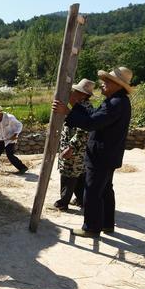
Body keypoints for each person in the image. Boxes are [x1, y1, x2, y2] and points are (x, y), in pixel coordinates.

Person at [52, 67, 133, 238]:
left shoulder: (114, 103)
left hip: (101, 155)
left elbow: (90, 123)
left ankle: (91, 227)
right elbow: (92, 114)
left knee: (92, 191)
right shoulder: (117, 101)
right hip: (108, 155)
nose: (102, 84)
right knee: (105, 190)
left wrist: (66, 112)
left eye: (106, 82)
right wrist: (72, 109)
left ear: (117, 85)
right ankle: (107, 224)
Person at [54, 79, 94, 211]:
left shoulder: (84, 109)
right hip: (77, 150)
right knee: (78, 174)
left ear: (82, 95)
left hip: (75, 150)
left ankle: (63, 202)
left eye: (73, 92)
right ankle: (81, 199)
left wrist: (71, 147)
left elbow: (83, 131)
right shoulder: (81, 107)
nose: (70, 95)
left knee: (69, 174)